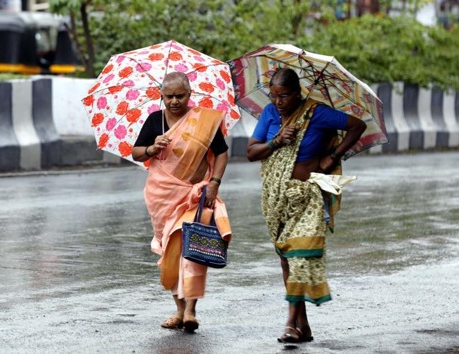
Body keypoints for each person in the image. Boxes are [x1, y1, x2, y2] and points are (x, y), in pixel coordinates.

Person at [245, 67, 366, 343]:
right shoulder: (270, 114)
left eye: (284, 96)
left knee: (299, 256)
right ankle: (304, 325)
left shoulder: (318, 113)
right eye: (273, 96)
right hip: (276, 197)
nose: (278, 102)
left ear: (297, 94)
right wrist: (276, 141)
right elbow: (251, 152)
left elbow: (357, 126)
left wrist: (332, 157)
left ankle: (289, 323)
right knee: (287, 259)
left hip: (309, 196)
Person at [132, 71, 232, 333]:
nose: (175, 101)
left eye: (180, 95)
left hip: (194, 197)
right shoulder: (155, 120)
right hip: (161, 196)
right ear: (161, 96)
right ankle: (179, 310)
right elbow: (136, 151)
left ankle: (190, 311)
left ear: (190, 94)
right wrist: (152, 148)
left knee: (190, 249)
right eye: (169, 96)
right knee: (171, 254)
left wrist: (214, 182)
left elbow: (221, 154)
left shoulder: (204, 121)